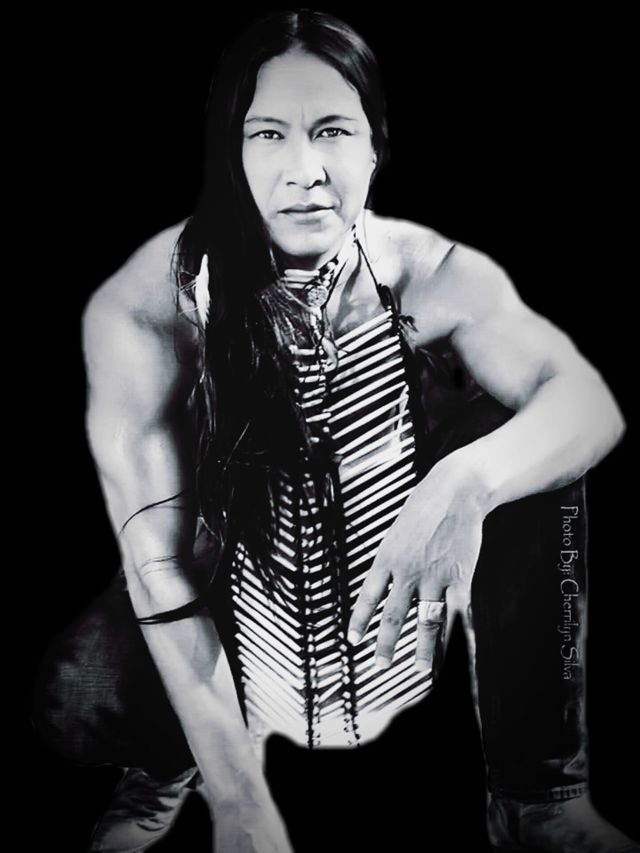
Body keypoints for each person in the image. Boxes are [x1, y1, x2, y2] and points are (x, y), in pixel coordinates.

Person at [31, 8, 639, 853]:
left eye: (332, 130)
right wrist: (242, 806)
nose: (304, 170)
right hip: (233, 636)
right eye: (269, 134)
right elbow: (155, 562)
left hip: (399, 634)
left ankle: (539, 798)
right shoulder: (149, 304)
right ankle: (170, 764)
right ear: (231, 151)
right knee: (72, 697)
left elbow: (588, 402)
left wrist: (465, 482)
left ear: (375, 145)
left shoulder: (432, 276)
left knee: (529, 438)